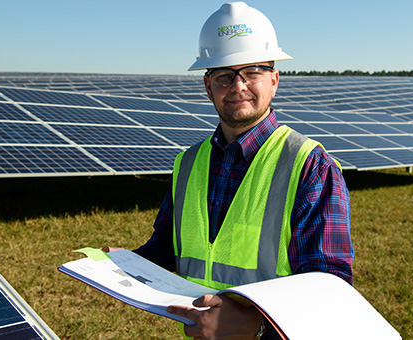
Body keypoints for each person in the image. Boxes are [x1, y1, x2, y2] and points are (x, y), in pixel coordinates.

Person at [105, 2, 354, 339]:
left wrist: (255, 326)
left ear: (274, 80)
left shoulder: (310, 168)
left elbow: (329, 288)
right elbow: (166, 248)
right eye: (224, 75)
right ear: (208, 86)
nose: (238, 86)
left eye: (252, 71)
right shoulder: (188, 163)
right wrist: (127, 264)